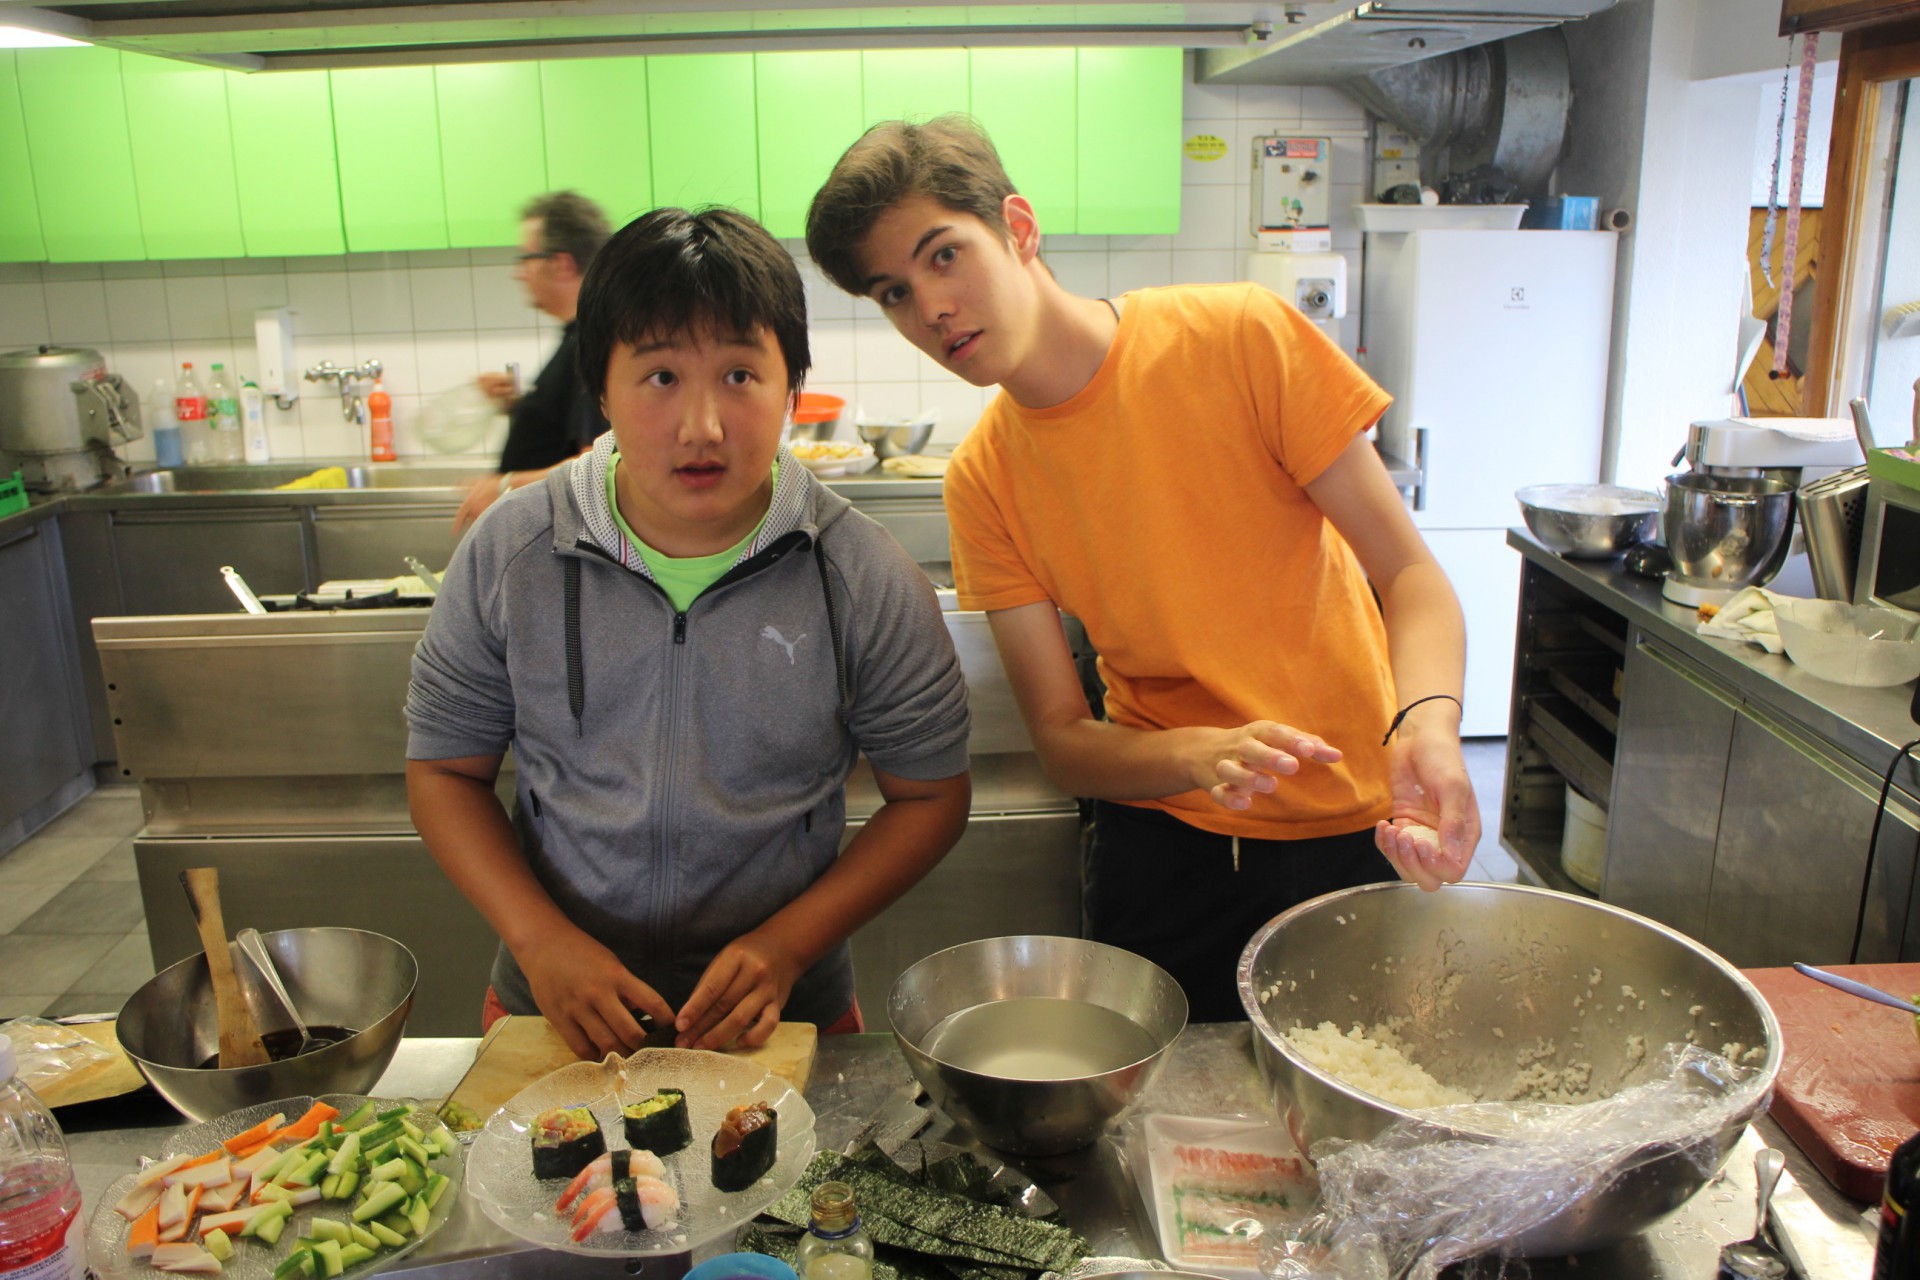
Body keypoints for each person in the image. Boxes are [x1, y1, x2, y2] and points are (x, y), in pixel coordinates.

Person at [805, 116, 1480, 1022]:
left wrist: (1429, 721)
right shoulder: (985, 479)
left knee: (1354, 1090)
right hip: (1163, 850)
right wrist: (1198, 755)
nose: (931, 308)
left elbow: (1409, 578)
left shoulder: (1239, 337)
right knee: (1161, 1106)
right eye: (893, 292)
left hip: (1357, 827)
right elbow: (1063, 740)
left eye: (945, 256)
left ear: (1018, 228)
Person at [408, 205, 973, 1058]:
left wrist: (787, 946)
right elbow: (445, 771)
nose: (702, 426)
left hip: (780, 1021)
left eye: (741, 375)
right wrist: (539, 940)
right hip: (555, 1012)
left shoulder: (859, 573)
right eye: (661, 376)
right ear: (602, 389)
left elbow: (930, 796)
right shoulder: (513, 552)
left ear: (792, 388)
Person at [454, 191, 614, 533]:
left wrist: (504, 486)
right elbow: (566, 431)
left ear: (561, 264)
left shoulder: (591, 341)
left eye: (526, 258)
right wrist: (517, 405)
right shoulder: (578, 335)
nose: (519, 273)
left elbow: (598, 465)